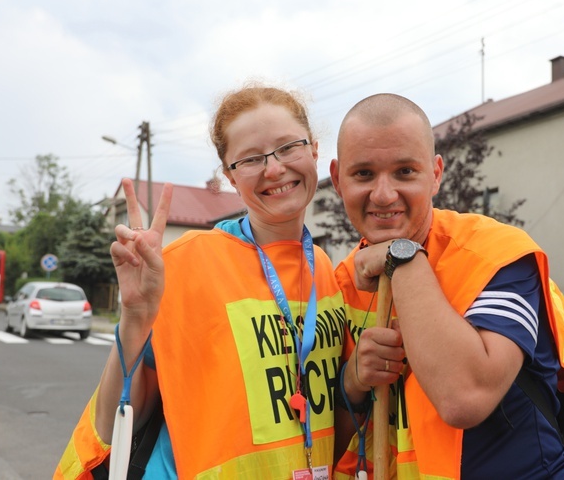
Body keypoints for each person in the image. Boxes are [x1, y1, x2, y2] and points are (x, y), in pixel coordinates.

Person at [55, 85, 347, 479]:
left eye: (287, 147)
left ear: (313, 149)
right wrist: (135, 317)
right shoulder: (186, 263)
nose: (274, 168)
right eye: (251, 159)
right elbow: (114, 423)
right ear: (229, 175)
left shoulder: (329, 272)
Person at [329, 93, 564, 479]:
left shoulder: (497, 253)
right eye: (363, 174)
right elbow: (324, 440)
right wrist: (354, 380)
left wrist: (403, 258)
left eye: (405, 172)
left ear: (435, 174)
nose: (383, 194)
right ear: (336, 179)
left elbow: (464, 398)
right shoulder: (343, 281)